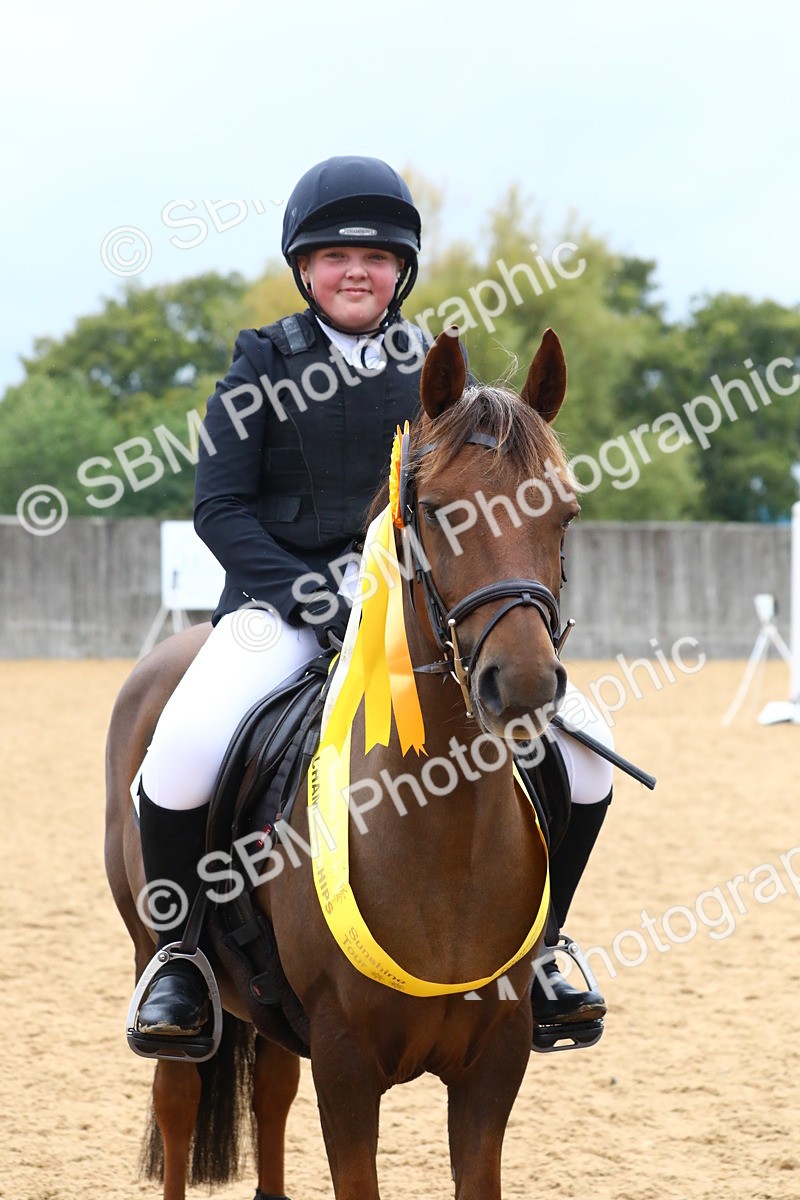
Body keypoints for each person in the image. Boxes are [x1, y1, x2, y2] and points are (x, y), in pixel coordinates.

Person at [131, 155, 613, 1045]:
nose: (357, 270)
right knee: (181, 749)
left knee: (590, 751)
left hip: (412, 613)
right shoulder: (260, 364)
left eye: (378, 256)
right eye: (333, 255)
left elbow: (464, 508)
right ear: (304, 269)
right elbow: (219, 507)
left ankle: (545, 948)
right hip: (277, 610)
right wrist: (311, 591)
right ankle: (182, 961)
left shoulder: (437, 375)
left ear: (402, 272)